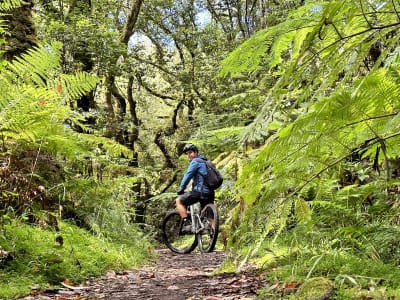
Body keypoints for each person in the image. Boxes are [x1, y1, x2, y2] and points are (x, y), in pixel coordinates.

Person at [176, 144, 214, 232]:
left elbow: (187, 176)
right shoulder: (207, 162)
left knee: (179, 201)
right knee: (210, 217)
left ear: (196, 152)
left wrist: (181, 188)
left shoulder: (195, 161)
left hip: (199, 192)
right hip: (210, 193)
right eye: (187, 153)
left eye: (191, 152)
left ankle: (186, 223)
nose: (189, 155)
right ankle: (213, 238)